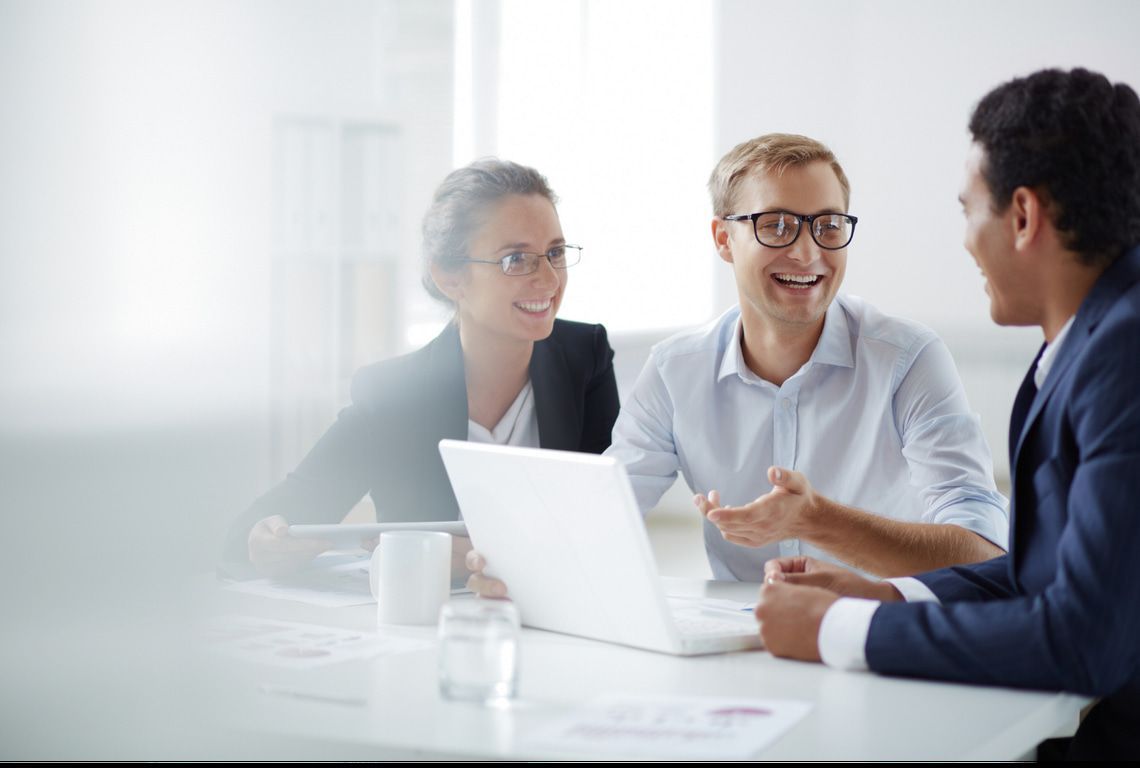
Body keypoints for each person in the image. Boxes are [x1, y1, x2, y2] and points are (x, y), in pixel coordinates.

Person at [755, 68, 1140, 760]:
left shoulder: (1125, 352)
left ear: (1022, 216)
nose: (964, 240)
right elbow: (1050, 573)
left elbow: (1086, 641)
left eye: (968, 210)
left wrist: (841, 631)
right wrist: (890, 596)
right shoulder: (1092, 337)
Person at [468, 134, 1008, 598]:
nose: (806, 252)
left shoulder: (908, 360)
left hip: (881, 637)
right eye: (776, 225)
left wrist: (817, 519)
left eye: (827, 225)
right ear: (724, 239)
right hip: (744, 646)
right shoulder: (677, 371)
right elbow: (601, 515)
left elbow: (983, 551)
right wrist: (510, 566)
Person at [222, 158, 619, 578]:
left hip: (558, 620)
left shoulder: (584, 357)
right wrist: (261, 541)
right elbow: (269, 522)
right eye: (515, 259)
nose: (550, 279)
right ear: (450, 278)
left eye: (554, 253)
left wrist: (484, 557)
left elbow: (607, 530)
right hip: (429, 626)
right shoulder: (394, 394)